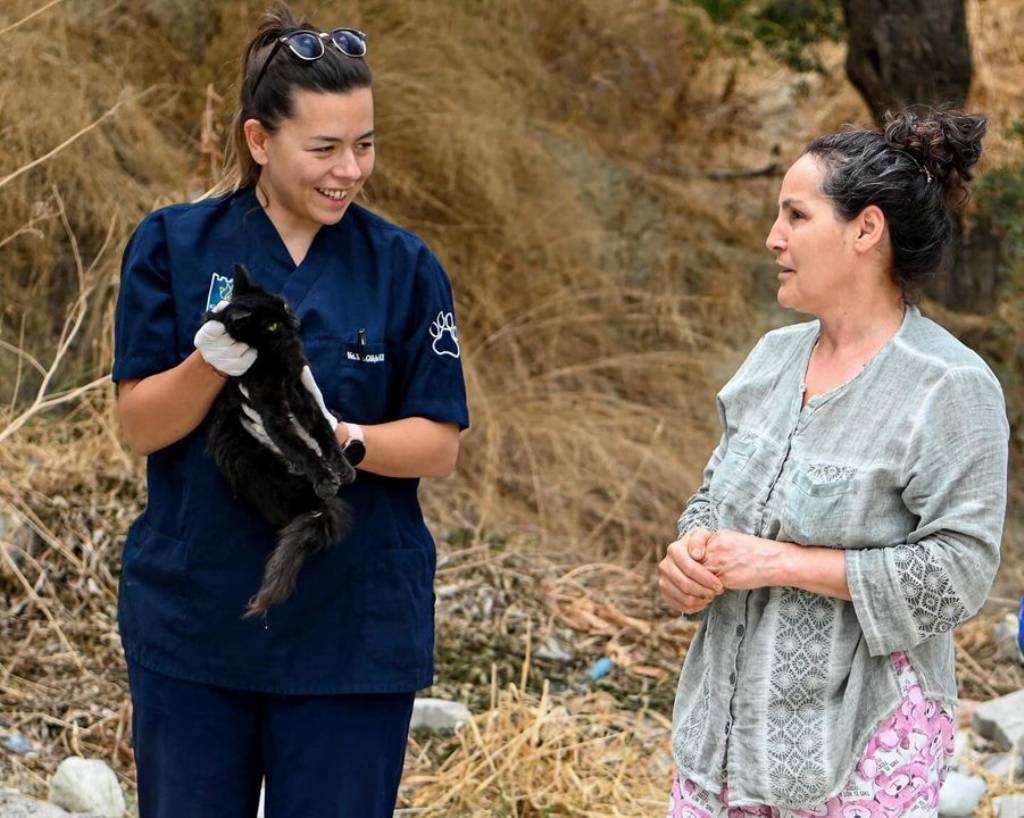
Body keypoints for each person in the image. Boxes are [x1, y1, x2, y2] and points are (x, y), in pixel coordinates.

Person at [112, 5, 468, 817]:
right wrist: (212, 361)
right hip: (199, 621)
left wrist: (339, 438)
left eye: (365, 144)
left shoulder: (405, 268)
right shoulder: (172, 244)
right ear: (259, 141)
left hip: (352, 631)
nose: (350, 169)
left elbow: (439, 442)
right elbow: (140, 426)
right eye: (324, 148)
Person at [658, 108, 1008, 818]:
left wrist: (781, 563)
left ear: (866, 230)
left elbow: (962, 574)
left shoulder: (949, 386)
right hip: (720, 744)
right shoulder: (769, 361)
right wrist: (685, 557)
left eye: (795, 215)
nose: (773, 238)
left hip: (862, 751)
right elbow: (712, 500)